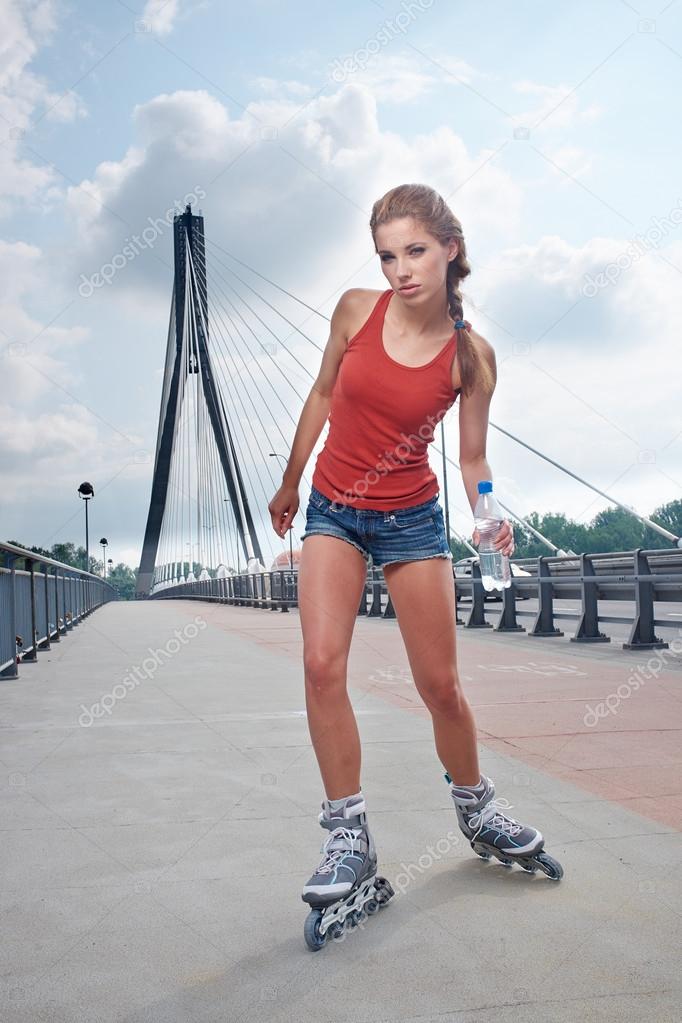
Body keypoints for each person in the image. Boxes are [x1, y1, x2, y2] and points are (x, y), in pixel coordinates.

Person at [268, 183, 546, 908]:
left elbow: (473, 459)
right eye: (387, 254)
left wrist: (488, 517)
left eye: (415, 251)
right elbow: (324, 393)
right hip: (333, 508)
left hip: (412, 521)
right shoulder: (356, 310)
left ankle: (477, 805)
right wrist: (291, 479)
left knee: (440, 687)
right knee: (321, 664)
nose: (400, 269)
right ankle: (348, 836)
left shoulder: (470, 357)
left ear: (451, 248)